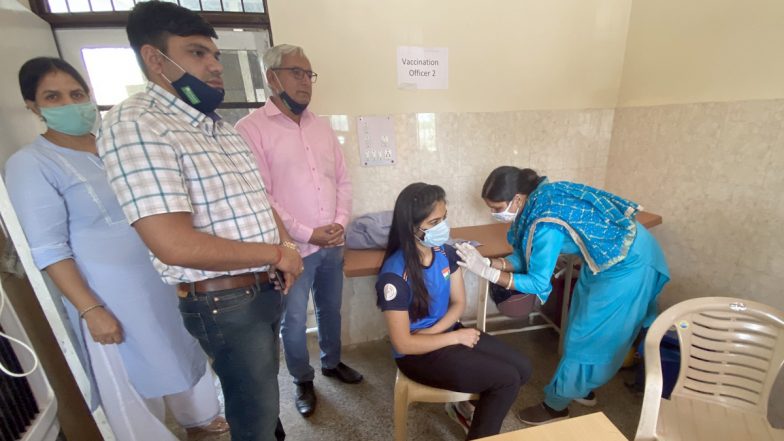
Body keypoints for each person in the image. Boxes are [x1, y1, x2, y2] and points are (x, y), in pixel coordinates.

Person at [96, 3, 304, 440]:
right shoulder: (138, 123)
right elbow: (174, 244)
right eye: (196, 54)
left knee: (263, 400)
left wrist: (283, 250)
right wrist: (277, 254)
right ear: (155, 59)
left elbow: (258, 200)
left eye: (214, 54)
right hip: (225, 301)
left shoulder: (219, 128)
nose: (214, 66)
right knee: (253, 414)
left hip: (263, 286)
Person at [5, 57, 229, 441]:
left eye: (77, 94)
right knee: (125, 377)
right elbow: (48, 248)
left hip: (160, 276)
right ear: (32, 106)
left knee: (182, 348)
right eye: (53, 97)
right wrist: (91, 309)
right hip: (107, 294)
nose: (70, 104)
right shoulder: (31, 164)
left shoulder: (116, 144)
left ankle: (199, 417)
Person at [456, 166, 670, 425]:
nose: (494, 214)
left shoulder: (545, 221)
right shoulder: (539, 197)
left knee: (589, 335)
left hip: (627, 264)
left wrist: (486, 273)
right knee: (579, 320)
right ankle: (581, 387)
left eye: (497, 207)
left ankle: (555, 407)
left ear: (518, 199)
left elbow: (536, 282)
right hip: (602, 259)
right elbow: (526, 256)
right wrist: (491, 263)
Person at [235, 44, 360, 418]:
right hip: (292, 250)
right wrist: (308, 233)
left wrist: (340, 222)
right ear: (272, 78)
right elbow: (263, 196)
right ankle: (302, 380)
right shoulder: (250, 129)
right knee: (292, 322)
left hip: (332, 244)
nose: (306, 82)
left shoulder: (321, 127)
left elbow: (343, 180)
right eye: (296, 73)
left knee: (330, 310)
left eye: (309, 74)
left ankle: (331, 362)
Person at [376, 183, 532, 440]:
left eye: (444, 218)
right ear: (411, 227)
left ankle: (466, 411)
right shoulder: (394, 276)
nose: (442, 228)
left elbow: (459, 302)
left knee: (522, 369)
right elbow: (403, 343)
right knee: (505, 380)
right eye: (434, 221)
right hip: (416, 355)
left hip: (446, 332)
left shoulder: (444, 252)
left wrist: (439, 331)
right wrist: (454, 337)